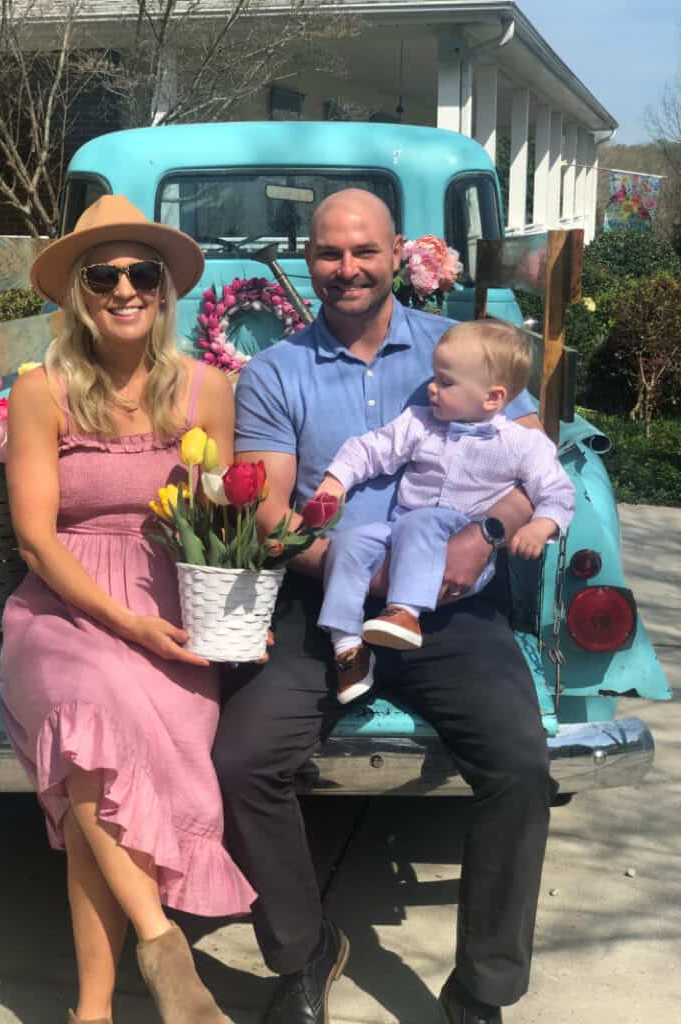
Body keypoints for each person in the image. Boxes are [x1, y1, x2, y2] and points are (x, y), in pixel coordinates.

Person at [213, 188, 557, 1024]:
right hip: (321, 605)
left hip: (450, 612)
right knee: (241, 762)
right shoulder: (275, 372)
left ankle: (482, 987)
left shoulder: (463, 348)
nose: (347, 268)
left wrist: (481, 533)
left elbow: (532, 463)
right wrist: (348, 571)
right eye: (329, 253)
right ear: (307, 260)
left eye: (363, 251)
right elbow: (270, 507)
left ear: (396, 251)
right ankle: (303, 951)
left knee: (520, 765)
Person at [0, 195, 255, 1024]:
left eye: (140, 273)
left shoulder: (208, 390)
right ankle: (163, 946)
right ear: (77, 291)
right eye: (101, 274)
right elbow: (36, 540)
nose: (123, 289)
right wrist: (126, 623)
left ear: (163, 290)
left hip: (169, 605)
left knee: (94, 793)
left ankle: (93, 1013)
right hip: (64, 605)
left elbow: (219, 520)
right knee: (88, 714)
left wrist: (242, 588)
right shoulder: (40, 390)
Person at [314, 319, 575, 703]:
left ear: (492, 398)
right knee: (347, 543)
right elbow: (371, 449)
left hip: (461, 544)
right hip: (402, 533)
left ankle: (403, 612)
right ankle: (348, 649)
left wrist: (542, 525)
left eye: (446, 382)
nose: (432, 388)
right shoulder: (420, 423)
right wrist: (336, 482)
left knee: (423, 520)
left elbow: (556, 489)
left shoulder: (523, 445)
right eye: (435, 377)